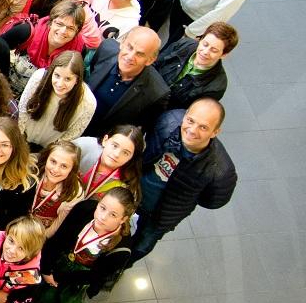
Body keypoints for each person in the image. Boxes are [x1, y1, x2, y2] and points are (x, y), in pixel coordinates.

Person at [131, 99, 237, 262]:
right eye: (190, 121)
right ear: (185, 115)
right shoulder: (168, 123)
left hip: (161, 215)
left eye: (203, 127)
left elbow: (213, 201)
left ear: (215, 132)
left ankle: (119, 268)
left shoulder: (220, 171)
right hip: (133, 191)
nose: (192, 130)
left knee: (142, 245)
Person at [30, 187, 135, 303]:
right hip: (61, 259)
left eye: (113, 215)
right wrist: (47, 269)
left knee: (62, 296)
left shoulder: (122, 249)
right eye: (102, 208)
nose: (103, 217)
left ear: (123, 219)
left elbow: (94, 276)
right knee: (40, 284)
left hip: (79, 276)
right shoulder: (84, 209)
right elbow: (59, 238)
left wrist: (57, 277)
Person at [84, 28, 169, 137]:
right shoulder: (106, 49)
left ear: (150, 60)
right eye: (129, 47)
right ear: (122, 43)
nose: (130, 57)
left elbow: (139, 129)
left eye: (140, 54)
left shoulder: (156, 94)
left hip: (103, 141)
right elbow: (92, 69)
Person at [18, 51, 96, 148]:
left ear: (77, 80)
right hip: (22, 138)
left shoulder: (88, 103)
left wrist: (46, 154)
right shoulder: (38, 78)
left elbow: (71, 136)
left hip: (49, 149)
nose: (59, 84)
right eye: (57, 75)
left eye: (67, 79)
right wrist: (19, 143)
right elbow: (22, 113)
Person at [156, 21, 235, 110]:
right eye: (205, 44)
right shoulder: (183, 44)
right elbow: (155, 63)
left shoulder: (217, 86)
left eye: (214, 50)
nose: (205, 52)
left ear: (223, 55)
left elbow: (191, 111)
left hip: (168, 112)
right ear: (200, 39)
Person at [12, 140, 83, 235]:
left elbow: (58, 225)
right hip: (16, 221)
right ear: (46, 159)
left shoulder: (74, 193)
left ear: (72, 169)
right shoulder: (31, 171)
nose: (55, 170)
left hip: (40, 235)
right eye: (53, 161)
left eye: (64, 166)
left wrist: (38, 240)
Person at [14, 0, 87, 85]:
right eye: (59, 24)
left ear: (77, 32)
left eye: (71, 28)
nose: (63, 31)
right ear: (51, 22)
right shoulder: (27, 32)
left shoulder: (79, 50)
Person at [75, 124, 145, 201]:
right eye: (115, 146)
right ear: (105, 140)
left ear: (132, 157)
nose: (116, 154)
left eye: (125, 153)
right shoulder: (83, 146)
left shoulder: (128, 185)